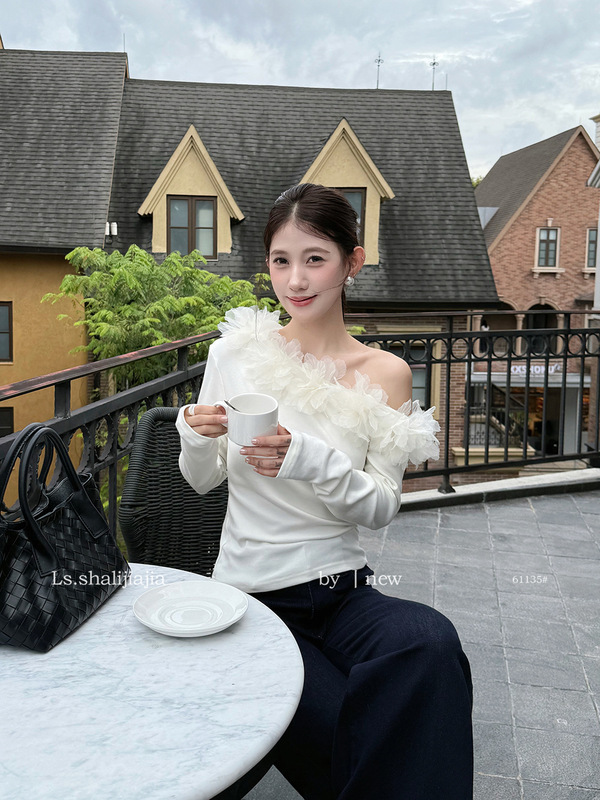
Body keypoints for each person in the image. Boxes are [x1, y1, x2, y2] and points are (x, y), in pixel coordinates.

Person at [177, 184, 473, 800]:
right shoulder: (236, 353)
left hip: (342, 593)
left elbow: (381, 507)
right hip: (252, 598)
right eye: (281, 260)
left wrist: (310, 460)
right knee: (363, 732)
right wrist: (193, 436)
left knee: (429, 642)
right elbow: (203, 479)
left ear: (351, 262)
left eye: (315, 258)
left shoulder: (386, 373)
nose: (295, 280)